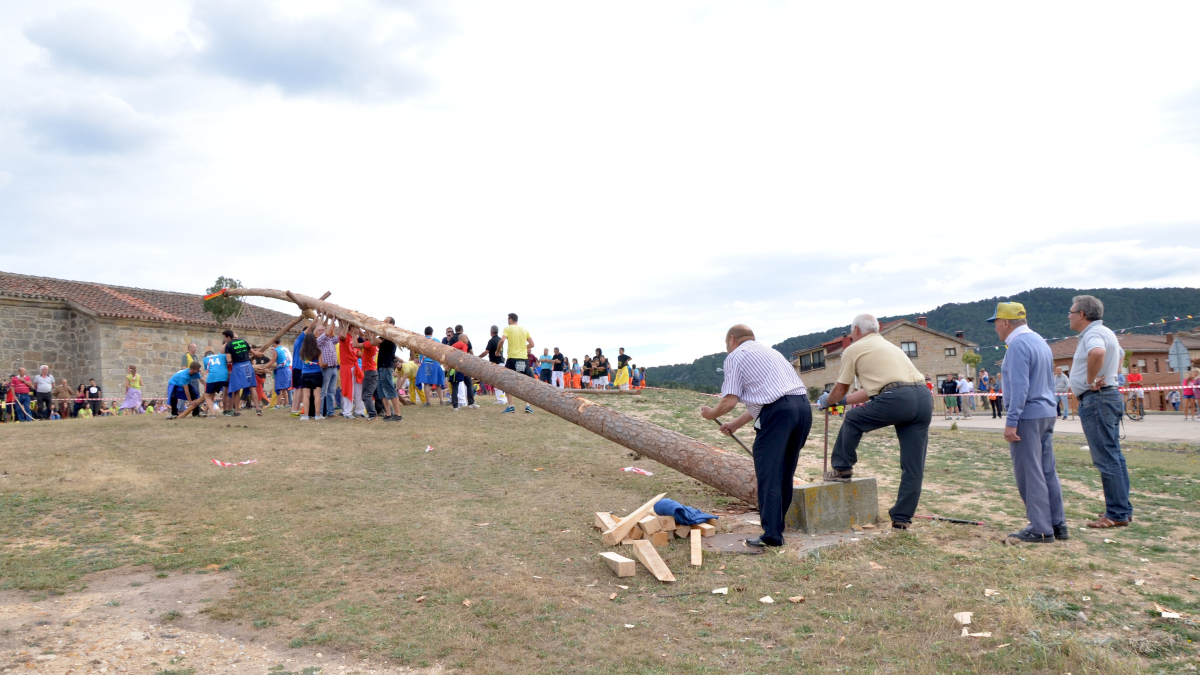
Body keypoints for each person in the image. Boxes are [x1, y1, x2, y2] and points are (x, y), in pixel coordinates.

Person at [701, 324, 810, 547]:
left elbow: (729, 401)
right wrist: (735, 424)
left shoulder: (736, 356)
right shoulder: (771, 353)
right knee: (784, 471)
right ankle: (777, 527)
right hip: (803, 409)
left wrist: (711, 414)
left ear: (732, 340)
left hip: (779, 414)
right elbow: (766, 399)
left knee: (769, 473)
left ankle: (772, 535)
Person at [822, 313, 932, 531]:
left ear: (856, 330)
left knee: (853, 418)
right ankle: (902, 518)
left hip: (896, 398)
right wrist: (841, 402)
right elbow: (873, 390)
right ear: (877, 328)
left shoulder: (853, 349)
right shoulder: (890, 347)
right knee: (913, 465)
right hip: (922, 398)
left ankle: (842, 468)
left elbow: (841, 388)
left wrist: (828, 401)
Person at [988, 302, 1065, 544]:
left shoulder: (1017, 345)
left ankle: (1040, 528)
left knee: (1030, 473)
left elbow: (1020, 387)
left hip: (1027, 415)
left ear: (1006, 322)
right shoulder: (1039, 341)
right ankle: (1057, 523)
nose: (995, 328)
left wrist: (1012, 420)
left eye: (996, 323)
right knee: (1047, 469)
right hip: (1046, 412)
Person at [1067, 294, 1132, 529]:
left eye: (1071, 312)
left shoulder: (1092, 334)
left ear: (1081, 314)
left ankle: (1116, 513)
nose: (1069, 317)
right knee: (1114, 455)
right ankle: (1122, 508)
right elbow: (1121, 354)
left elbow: (1097, 353)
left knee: (1106, 458)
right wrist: (1112, 374)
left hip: (1097, 399)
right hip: (1106, 396)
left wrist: (1090, 380)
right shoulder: (1106, 331)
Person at [497, 312, 535, 414]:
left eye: (508, 319)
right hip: (523, 359)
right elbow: (532, 344)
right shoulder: (524, 330)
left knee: (506, 382)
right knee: (527, 382)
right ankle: (527, 406)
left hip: (512, 359)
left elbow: (502, 341)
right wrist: (522, 348)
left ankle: (511, 406)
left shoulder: (507, 329)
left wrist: (497, 351)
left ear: (510, 320)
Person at [222, 329, 262, 417]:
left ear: (228, 337)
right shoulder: (243, 342)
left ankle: (236, 411)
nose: (224, 339)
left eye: (224, 337)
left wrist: (232, 356)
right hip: (248, 365)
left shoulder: (228, 345)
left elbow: (228, 360)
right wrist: (260, 353)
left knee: (236, 389)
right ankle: (258, 409)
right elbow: (255, 353)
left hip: (238, 366)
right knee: (252, 387)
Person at [373, 318, 404, 421]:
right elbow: (372, 342)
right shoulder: (385, 336)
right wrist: (371, 332)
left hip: (386, 367)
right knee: (382, 392)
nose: (383, 322)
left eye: (386, 321)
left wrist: (372, 332)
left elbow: (375, 341)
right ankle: (388, 414)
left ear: (391, 324)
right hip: (382, 367)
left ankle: (398, 415)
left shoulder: (389, 336)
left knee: (389, 390)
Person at [296, 318, 326, 420]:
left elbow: (302, 361)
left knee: (306, 395)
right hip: (316, 374)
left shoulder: (302, 351)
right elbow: (321, 364)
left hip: (305, 374)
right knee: (317, 395)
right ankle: (317, 415)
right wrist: (325, 364)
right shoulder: (318, 351)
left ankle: (306, 415)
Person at [338, 323, 367, 418]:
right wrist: (346, 323)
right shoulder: (345, 336)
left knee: (359, 389)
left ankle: (360, 411)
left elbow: (357, 353)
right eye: (357, 327)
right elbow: (342, 335)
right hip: (347, 366)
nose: (359, 329)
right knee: (348, 389)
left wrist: (369, 352)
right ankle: (347, 412)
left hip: (355, 366)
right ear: (352, 328)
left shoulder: (354, 339)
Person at [415, 326, 446, 407]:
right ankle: (441, 400)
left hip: (425, 363)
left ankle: (428, 402)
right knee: (438, 383)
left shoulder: (421, 341)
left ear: (424, 333)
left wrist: (415, 358)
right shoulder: (436, 340)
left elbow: (414, 350)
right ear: (432, 332)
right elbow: (440, 352)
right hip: (435, 363)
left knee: (426, 384)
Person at [482, 325, 507, 404]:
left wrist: (478, 357)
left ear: (492, 331)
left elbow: (486, 352)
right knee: (502, 382)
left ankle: (501, 400)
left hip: (495, 363)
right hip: (502, 362)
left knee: (496, 382)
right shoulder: (499, 339)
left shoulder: (492, 340)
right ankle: (504, 398)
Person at [270, 339, 292, 408]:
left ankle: (278, 405)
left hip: (281, 370)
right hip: (288, 369)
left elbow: (271, 362)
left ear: (274, 343)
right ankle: (287, 404)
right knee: (283, 388)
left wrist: (264, 367)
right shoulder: (284, 349)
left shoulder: (276, 350)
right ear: (280, 342)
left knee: (279, 388)